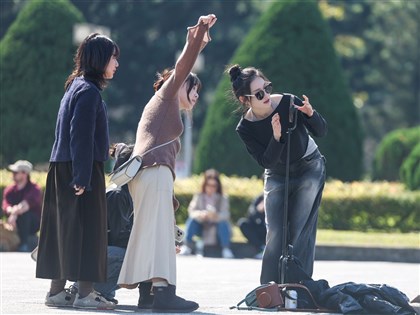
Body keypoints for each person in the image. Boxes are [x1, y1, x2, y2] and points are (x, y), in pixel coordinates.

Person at [117, 14, 217, 313]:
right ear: (179, 83)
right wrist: (198, 35)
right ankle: (163, 293)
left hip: (146, 174)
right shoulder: (167, 94)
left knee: (150, 233)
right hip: (152, 172)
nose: (196, 95)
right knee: (159, 236)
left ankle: (148, 295)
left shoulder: (163, 106)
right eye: (193, 88)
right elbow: (184, 65)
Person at [35, 33, 119, 310]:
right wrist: (82, 176)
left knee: (65, 232)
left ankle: (57, 292)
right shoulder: (89, 91)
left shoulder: (74, 86)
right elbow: (79, 136)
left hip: (63, 166)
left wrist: (102, 148)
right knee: (90, 232)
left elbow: (79, 134)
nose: (116, 63)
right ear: (100, 60)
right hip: (80, 169)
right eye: (113, 57)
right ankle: (85, 295)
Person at [227, 64, 327, 284]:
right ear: (246, 100)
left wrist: (311, 114)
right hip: (277, 174)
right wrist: (277, 137)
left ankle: (298, 286)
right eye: (259, 94)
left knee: (300, 230)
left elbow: (321, 131)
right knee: (274, 234)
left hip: (309, 166)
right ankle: (269, 289)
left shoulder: (289, 102)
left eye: (267, 88)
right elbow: (266, 161)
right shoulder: (245, 128)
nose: (267, 96)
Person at [180, 169, 234, 258]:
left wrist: (216, 216)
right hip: (201, 226)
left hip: (216, 227)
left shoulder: (223, 198)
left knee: (223, 224)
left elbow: (226, 214)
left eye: (214, 186)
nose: (211, 188)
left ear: (218, 186)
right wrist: (201, 214)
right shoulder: (199, 196)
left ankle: (226, 249)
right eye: (209, 185)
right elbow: (191, 211)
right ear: (205, 185)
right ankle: (186, 246)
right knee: (191, 221)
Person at [2, 160, 42, 252]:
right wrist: (12, 212)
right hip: (14, 223)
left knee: (25, 214)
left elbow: (26, 205)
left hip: (32, 224)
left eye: (16, 172)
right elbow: (6, 205)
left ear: (25, 174)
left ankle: (24, 244)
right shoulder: (9, 190)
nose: (13, 174)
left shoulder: (34, 189)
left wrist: (14, 214)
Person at [237, 193, 266, 259]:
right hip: (259, 227)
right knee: (242, 223)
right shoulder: (260, 198)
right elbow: (250, 215)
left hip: (270, 229)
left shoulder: (277, 197)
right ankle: (261, 247)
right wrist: (259, 210)